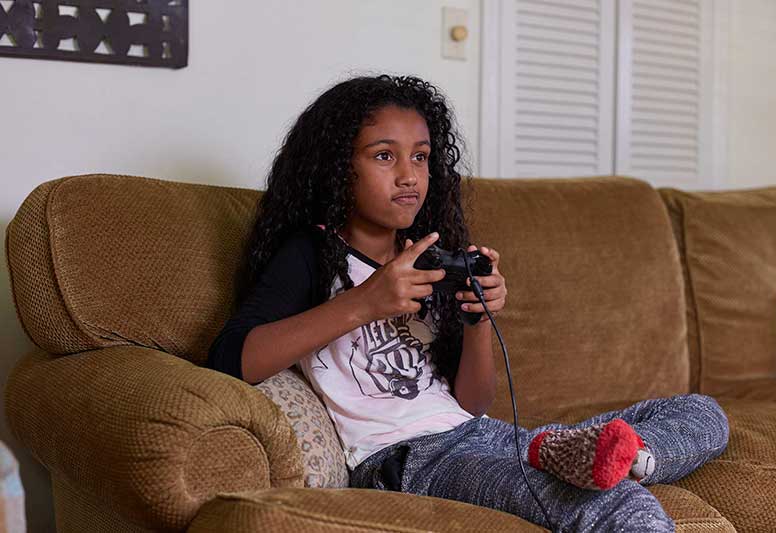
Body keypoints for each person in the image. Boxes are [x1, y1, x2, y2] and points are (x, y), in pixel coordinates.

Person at [207, 74, 729, 531]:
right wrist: (365, 302)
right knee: (616, 508)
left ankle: (624, 460)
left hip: (479, 433)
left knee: (704, 412)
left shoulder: (432, 258)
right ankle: (602, 469)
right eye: (384, 156)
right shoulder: (312, 255)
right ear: (336, 167)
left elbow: (472, 404)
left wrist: (478, 319)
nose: (409, 175)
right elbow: (232, 359)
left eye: (421, 156)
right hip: (407, 459)